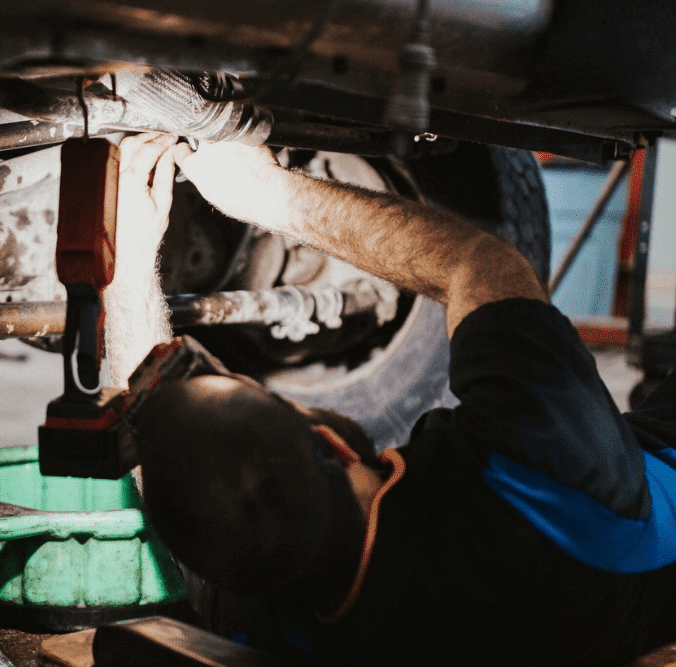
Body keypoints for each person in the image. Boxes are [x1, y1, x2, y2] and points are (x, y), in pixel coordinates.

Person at [106, 133, 676, 666]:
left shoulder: (275, 624)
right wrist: (268, 193)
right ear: (330, 441)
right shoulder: (542, 476)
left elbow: (176, 470)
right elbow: (482, 267)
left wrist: (126, 271)